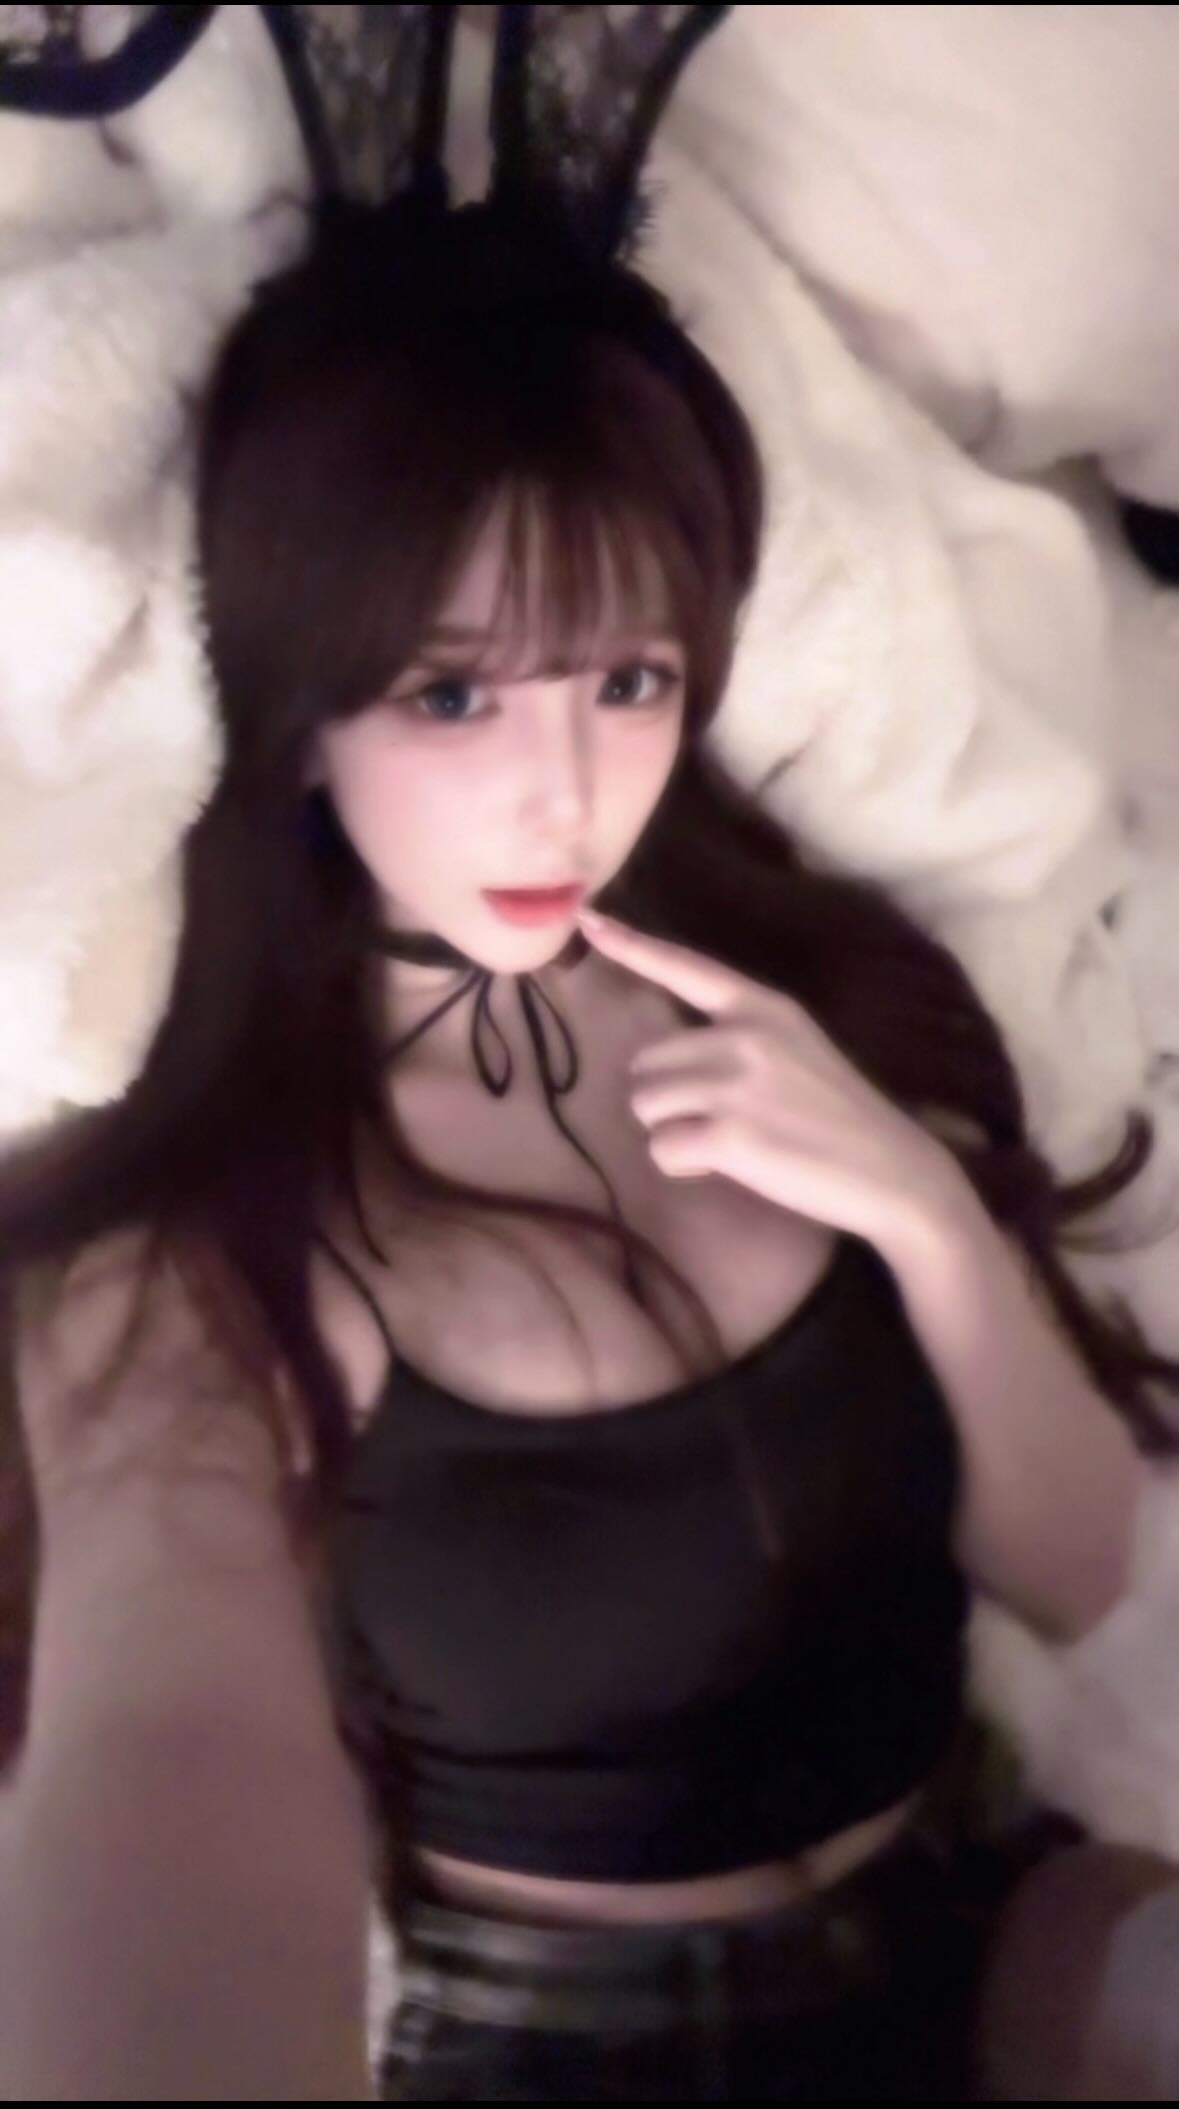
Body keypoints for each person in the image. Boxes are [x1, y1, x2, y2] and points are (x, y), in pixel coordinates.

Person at [3, 9, 1179, 2102]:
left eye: (627, 678)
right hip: (570, 2043)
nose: (565, 789)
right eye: (455, 695)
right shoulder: (214, 1247)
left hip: (985, 1902)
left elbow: (1080, 1566)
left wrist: (920, 1213)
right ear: (297, 711)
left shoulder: (813, 994)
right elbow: (171, 1750)